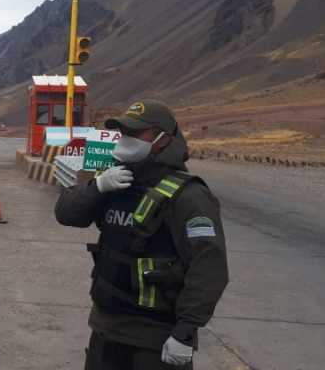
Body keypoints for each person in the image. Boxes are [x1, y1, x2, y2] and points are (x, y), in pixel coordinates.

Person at [55, 100, 229, 369]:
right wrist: (97, 187)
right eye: (123, 133)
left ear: (162, 140)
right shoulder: (116, 180)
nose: (126, 139)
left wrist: (185, 331)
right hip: (106, 328)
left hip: (154, 340)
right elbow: (66, 214)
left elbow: (209, 267)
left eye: (136, 133)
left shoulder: (189, 196)